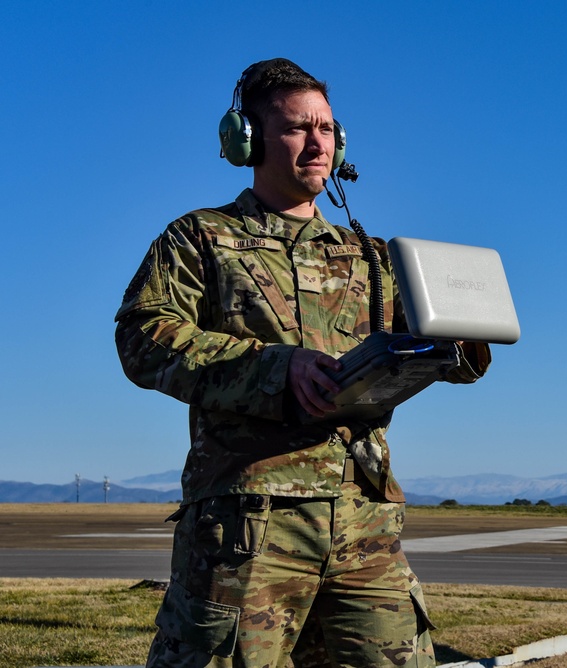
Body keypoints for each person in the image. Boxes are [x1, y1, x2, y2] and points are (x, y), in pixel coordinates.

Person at [115, 58, 490, 668]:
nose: (318, 143)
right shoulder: (201, 238)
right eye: (297, 128)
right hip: (250, 524)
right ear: (248, 140)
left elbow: (423, 348)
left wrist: (460, 344)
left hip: (363, 521)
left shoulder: (370, 256)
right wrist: (275, 368)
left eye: (327, 128)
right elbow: (144, 337)